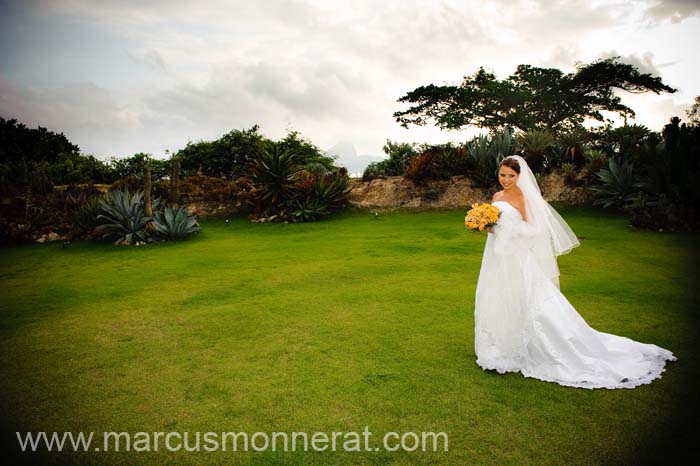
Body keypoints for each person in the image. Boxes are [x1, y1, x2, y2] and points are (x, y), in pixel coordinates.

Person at [473, 155, 676, 389]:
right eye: (502, 175)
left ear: (519, 176)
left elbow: (535, 228)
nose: (506, 180)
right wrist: (486, 226)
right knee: (498, 296)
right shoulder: (497, 197)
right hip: (497, 257)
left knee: (528, 299)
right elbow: (493, 227)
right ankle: (500, 347)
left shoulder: (522, 196)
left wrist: (510, 230)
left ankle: (530, 348)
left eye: (511, 175)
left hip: (517, 256)